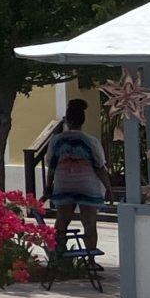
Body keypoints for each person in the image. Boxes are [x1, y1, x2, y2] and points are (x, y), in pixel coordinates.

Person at [44, 98, 111, 268]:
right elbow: (100, 167)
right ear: (83, 120)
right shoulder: (91, 141)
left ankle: (58, 255)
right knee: (89, 223)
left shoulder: (56, 140)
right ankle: (90, 260)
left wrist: (48, 186)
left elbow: (51, 166)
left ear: (67, 119)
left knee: (62, 222)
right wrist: (108, 188)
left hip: (63, 183)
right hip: (87, 185)